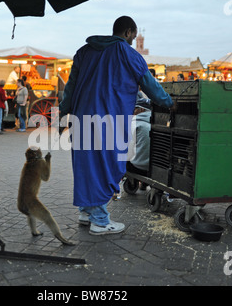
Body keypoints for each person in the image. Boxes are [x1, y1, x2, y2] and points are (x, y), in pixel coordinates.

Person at [59, 16, 174, 236]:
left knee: (86, 165)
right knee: (104, 165)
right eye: (134, 34)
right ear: (129, 32)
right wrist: (169, 103)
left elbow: (70, 87)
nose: (133, 38)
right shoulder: (129, 55)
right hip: (109, 120)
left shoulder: (83, 52)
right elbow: (151, 87)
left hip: (82, 118)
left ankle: (86, 212)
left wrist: (63, 110)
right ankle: (100, 221)